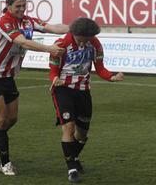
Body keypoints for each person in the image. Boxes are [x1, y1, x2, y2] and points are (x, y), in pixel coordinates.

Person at [0, 0, 69, 175]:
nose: (21, 9)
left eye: (24, 6)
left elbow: (51, 27)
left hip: (8, 77)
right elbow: (23, 42)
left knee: (11, 119)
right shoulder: (5, 21)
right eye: (17, 6)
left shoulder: (28, 21)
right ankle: (5, 164)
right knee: (1, 120)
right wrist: (49, 49)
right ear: (8, 6)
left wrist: (74, 29)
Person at [49, 17, 124, 183]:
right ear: (76, 34)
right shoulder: (61, 44)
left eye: (90, 38)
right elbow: (53, 71)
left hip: (83, 91)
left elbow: (101, 68)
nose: (87, 41)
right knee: (68, 127)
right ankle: (72, 169)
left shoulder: (95, 44)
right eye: (85, 38)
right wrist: (55, 80)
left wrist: (112, 77)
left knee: (82, 135)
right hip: (63, 90)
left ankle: (73, 157)